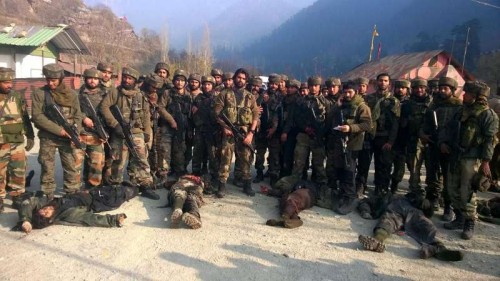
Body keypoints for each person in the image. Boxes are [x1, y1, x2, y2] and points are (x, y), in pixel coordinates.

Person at [440, 81, 498, 240]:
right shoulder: (460, 111)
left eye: (467, 93)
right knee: (452, 187)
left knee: (467, 190)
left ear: (477, 96)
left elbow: (489, 140)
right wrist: (443, 143)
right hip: (455, 154)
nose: (463, 95)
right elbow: (448, 128)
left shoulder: (487, 115)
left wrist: (486, 161)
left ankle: (469, 222)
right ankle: (458, 217)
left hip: (471, 158)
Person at [100, 66, 159, 200]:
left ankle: (143, 185)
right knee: (118, 161)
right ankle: (115, 187)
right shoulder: (115, 93)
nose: (127, 80)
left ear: (135, 81)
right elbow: (104, 107)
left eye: (130, 78)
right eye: (125, 77)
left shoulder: (140, 95)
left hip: (136, 132)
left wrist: (147, 132)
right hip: (119, 132)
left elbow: (145, 114)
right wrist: (115, 124)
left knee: (141, 160)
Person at [358, 194, 464, 262]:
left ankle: (439, 249)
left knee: (427, 225)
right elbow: (364, 202)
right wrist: (365, 211)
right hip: (394, 211)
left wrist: (426, 204)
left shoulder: (410, 197)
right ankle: (377, 241)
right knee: (386, 222)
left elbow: (428, 211)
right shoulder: (384, 197)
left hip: (412, 212)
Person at [31, 63, 83, 197]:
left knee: (71, 166)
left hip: (68, 137)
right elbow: (37, 117)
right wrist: (59, 130)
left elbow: (78, 115)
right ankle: (47, 194)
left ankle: (72, 194)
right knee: (47, 166)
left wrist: (75, 131)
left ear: (60, 79)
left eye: (53, 80)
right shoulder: (40, 94)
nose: (50, 83)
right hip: (48, 137)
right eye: (48, 80)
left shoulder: (71, 94)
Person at [420, 77, 462, 221]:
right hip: (433, 145)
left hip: (449, 148)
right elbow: (425, 123)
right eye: (441, 88)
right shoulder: (434, 105)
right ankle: (432, 201)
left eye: (446, 89)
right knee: (432, 176)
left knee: (449, 179)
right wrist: (423, 134)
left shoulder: (458, 107)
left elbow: (457, 130)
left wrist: (446, 143)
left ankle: (448, 207)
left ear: (452, 90)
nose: (442, 91)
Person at [325, 82, 371, 214]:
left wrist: (350, 128)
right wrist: (336, 107)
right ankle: (341, 194)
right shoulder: (341, 105)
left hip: (352, 144)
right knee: (338, 168)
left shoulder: (361, 106)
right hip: (338, 143)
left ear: (355, 92)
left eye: (350, 92)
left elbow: (367, 124)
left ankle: (349, 198)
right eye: (345, 92)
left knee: (349, 171)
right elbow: (329, 120)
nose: (347, 95)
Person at [16, 183, 137, 233]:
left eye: (43, 210)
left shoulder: (49, 203)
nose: (47, 209)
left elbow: (28, 202)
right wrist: (114, 220)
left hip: (91, 192)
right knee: (123, 193)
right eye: (46, 213)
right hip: (98, 201)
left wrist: (25, 220)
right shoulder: (68, 214)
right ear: (50, 219)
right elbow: (90, 218)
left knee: (114, 185)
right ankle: (139, 189)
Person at [213, 68, 259, 197]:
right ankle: (221, 186)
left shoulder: (250, 96)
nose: (241, 80)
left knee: (246, 158)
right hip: (229, 131)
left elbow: (255, 116)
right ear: (234, 78)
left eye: (244, 78)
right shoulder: (224, 94)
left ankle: (247, 185)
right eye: (239, 77)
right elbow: (217, 113)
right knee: (225, 158)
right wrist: (225, 127)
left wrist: (251, 133)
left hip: (244, 132)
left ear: (246, 80)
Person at [282, 76, 330, 201]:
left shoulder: (326, 103)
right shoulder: (301, 102)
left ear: (319, 87)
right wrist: (305, 128)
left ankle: (322, 189)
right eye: (311, 85)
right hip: (303, 136)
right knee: (299, 162)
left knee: (318, 164)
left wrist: (322, 133)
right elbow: (296, 118)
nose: (313, 88)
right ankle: (293, 187)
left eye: (316, 86)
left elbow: (330, 121)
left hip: (318, 137)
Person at [0, 67, 35, 212]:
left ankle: (17, 195)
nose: (9, 85)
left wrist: (30, 135)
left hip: (17, 141)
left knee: (19, 170)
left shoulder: (17, 96)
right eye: (5, 82)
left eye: (11, 82)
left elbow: (25, 117)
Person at [366, 73, 400, 195]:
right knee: (365, 164)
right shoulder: (369, 99)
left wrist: (391, 141)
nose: (383, 83)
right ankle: (362, 185)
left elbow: (395, 123)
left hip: (384, 137)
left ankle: (381, 189)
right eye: (380, 80)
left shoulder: (393, 101)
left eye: (385, 81)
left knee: (384, 165)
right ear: (376, 82)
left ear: (389, 83)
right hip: (370, 136)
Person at [157, 69, 192, 178]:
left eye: (182, 80)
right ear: (174, 81)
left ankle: (179, 171)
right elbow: (160, 108)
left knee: (180, 150)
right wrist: (171, 120)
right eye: (177, 80)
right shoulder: (167, 93)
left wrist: (189, 129)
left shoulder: (188, 96)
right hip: (167, 127)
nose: (179, 83)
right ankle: (163, 173)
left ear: (185, 82)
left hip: (182, 128)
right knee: (165, 150)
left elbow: (190, 114)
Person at [78, 68, 107, 189]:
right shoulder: (77, 94)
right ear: (85, 79)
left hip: (97, 134)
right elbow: (72, 110)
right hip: (81, 133)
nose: (92, 81)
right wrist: (84, 118)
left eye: (95, 79)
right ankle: (75, 188)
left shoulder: (105, 94)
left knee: (96, 163)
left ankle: (93, 187)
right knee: (76, 164)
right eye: (90, 78)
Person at [192, 76, 219, 189]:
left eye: (209, 84)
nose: (206, 86)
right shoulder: (198, 98)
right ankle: (196, 173)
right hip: (200, 129)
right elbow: (193, 114)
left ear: (212, 85)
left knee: (212, 154)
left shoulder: (217, 98)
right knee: (198, 152)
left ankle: (214, 176)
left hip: (212, 130)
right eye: (204, 84)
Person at [254, 73, 281, 186]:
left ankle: (273, 175)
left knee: (274, 155)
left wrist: (274, 128)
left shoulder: (281, 97)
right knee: (260, 154)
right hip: (262, 130)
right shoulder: (262, 95)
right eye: (271, 83)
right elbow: (256, 109)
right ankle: (259, 173)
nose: (273, 86)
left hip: (274, 131)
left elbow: (280, 115)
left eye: (275, 84)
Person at [390, 79, 410, 194]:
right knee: (385, 165)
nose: (400, 90)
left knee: (399, 168)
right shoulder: (389, 102)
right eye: (398, 87)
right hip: (388, 139)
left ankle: (394, 185)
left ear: (407, 90)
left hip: (403, 140)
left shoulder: (410, 104)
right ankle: (382, 187)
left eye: (403, 88)